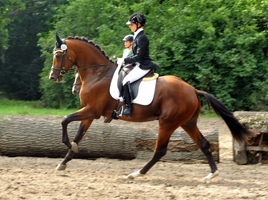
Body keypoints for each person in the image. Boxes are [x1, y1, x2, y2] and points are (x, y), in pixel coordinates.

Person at [117, 13, 160, 118]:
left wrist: (124, 60)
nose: (130, 26)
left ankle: (128, 108)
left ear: (139, 24)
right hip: (138, 64)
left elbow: (138, 57)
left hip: (143, 65)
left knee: (126, 81)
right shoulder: (137, 36)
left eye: (132, 24)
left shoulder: (142, 38)